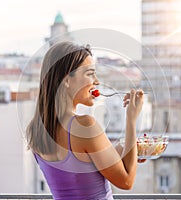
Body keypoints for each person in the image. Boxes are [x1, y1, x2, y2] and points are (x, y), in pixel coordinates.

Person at [26, 41, 145, 200]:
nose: (96, 81)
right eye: (90, 74)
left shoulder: (35, 129)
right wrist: (131, 120)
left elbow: (85, 159)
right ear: (67, 80)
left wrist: (128, 149)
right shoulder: (84, 126)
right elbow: (126, 181)